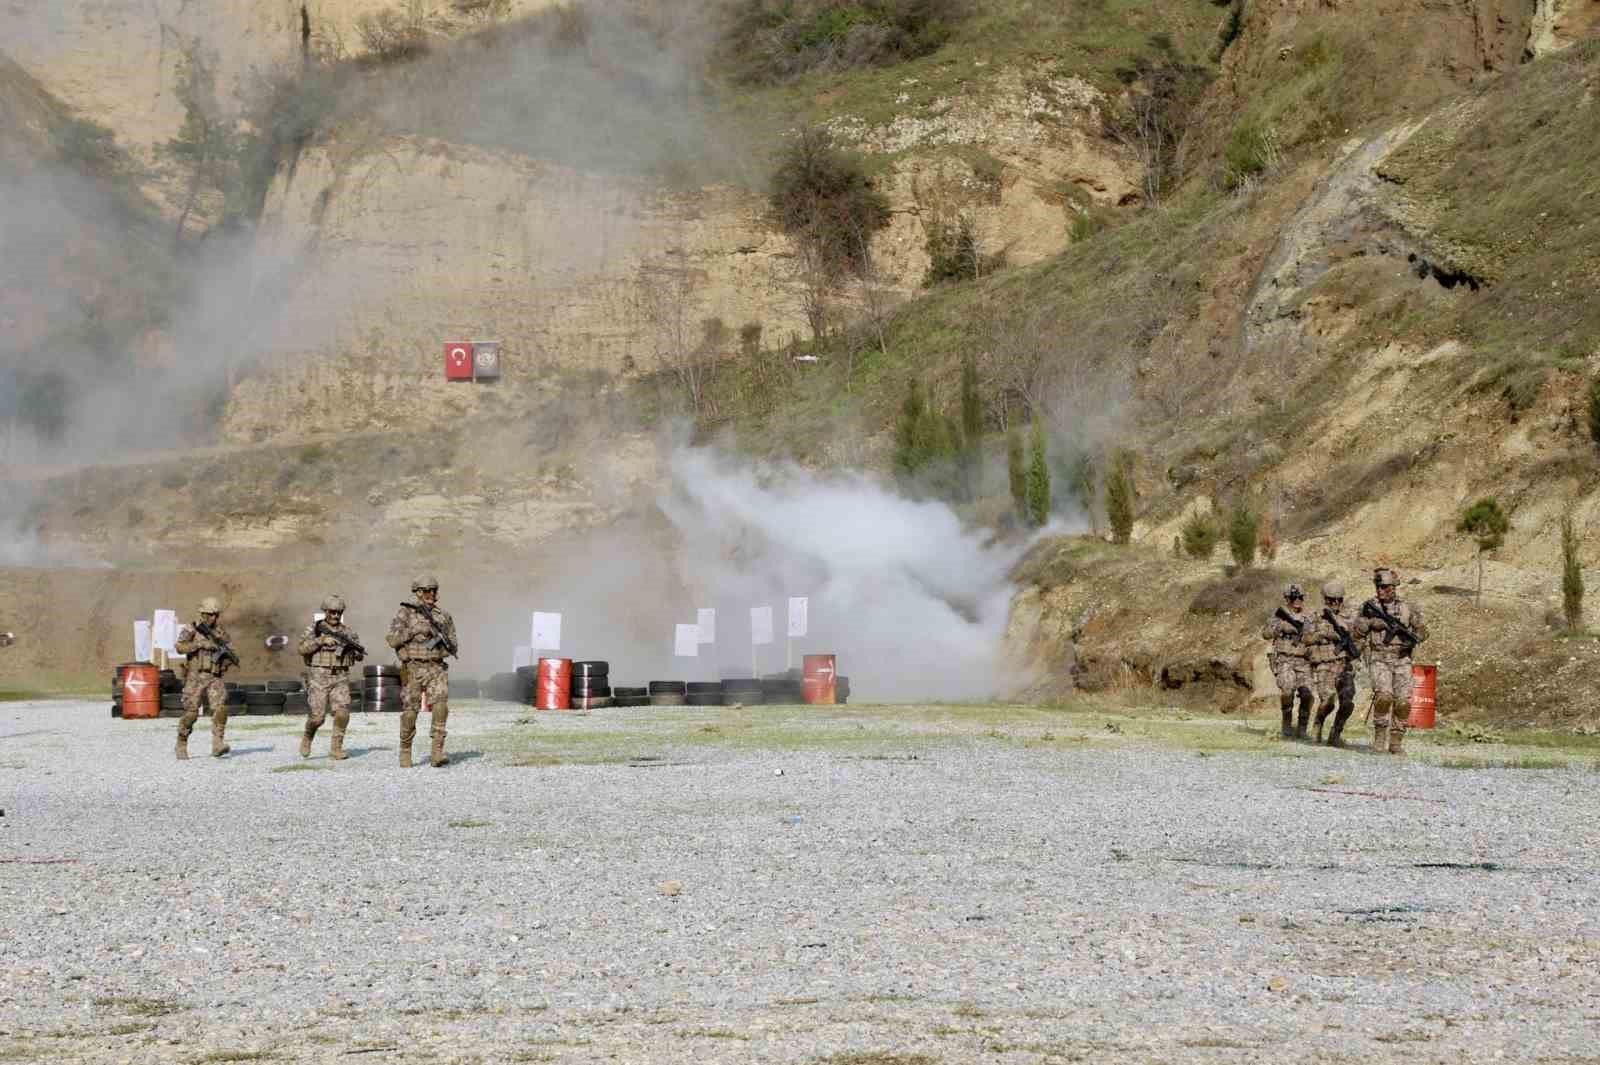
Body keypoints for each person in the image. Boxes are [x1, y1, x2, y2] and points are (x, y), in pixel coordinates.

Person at [1352, 567, 1429, 755]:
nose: (1381, 591)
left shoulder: (1406, 608)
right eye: (1379, 587)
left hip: (1402, 659)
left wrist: (1413, 638)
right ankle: (1379, 738)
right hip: (1379, 658)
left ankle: (1396, 742)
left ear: (1393, 588)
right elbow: (1356, 633)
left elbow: (1422, 631)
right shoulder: (1368, 607)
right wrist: (1370, 624)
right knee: (1384, 697)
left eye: (1385, 587)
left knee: (1403, 702)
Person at [385, 575, 458, 768]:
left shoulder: (443, 616)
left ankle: (437, 752)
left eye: (434, 590)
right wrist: (412, 631)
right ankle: (406, 751)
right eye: (427, 590)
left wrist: (437, 642)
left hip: (435, 667)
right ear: (417, 592)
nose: (431, 594)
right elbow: (392, 640)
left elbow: (453, 646)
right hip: (412, 667)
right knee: (410, 711)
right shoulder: (405, 614)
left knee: (441, 705)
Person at [296, 595, 364, 761]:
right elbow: (302, 649)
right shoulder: (314, 629)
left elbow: (359, 656)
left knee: (342, 713)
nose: (335, 616)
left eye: (338, 613)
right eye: (332, 612)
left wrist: (353, 651)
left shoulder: (347, 632)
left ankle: (336, 748)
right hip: (319, 677)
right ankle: (308, 736)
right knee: (317, 718)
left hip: (340, 677)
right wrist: (321, 641)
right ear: (325, 611)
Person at [174, 596, 236, 760]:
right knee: (191, 713)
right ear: (202, 614)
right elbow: (179, 647)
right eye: (210, 615)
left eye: (216, 615)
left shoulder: (219, 631)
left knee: (221, 708)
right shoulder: (192, 628)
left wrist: (226, 659)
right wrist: (199, 645)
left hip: (214, 676)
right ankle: (181, 742)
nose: (214, 618)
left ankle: (218, 743)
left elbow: (229, 648)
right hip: (195, 676)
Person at [1303, 582, 1360, 747]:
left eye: (1338, 600)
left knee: (1348, 702)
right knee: (1327, 701)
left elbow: (1358, 637)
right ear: (1325, 599)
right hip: (1323, 665)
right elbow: (1305, 638)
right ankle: (1318, 724)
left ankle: (1335, 734)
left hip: (1344, 664)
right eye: (1330, 600)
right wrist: (1322, 635)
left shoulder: (1349, 617)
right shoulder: (1314, 617)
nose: (1335, 603)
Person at [1261, 584, 1313, 739]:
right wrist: (1280, 628)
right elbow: (1265, 634)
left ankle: (1302, 727)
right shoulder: (1278, 617)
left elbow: (1315, 636)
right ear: (1287, 599)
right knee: (1287, 690)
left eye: (1300, 597)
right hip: (1284, 659)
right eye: (1293, 598)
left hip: (1304, 661)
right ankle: (1287, 722)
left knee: (1307, 694)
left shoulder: (1309, 618)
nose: (1297, 601)